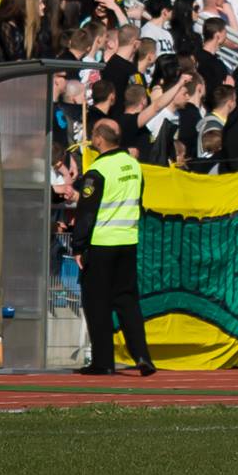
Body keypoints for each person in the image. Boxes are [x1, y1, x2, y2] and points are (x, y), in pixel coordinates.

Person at [66, 118, 157, 377]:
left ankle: (103, 362)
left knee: (97, 304)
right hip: (127, 240)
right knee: (128, 301)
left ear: (98, 139)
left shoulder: (99, 170)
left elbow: (86, 212)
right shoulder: (133, 165)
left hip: (102, 242)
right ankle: (142, 355)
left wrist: (79, 246)